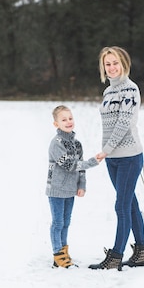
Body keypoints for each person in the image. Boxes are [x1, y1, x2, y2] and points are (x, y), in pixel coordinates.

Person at [89, 46, 144, 271]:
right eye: (108, 64)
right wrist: (107, 151)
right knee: (130, 203)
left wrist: (106, 149)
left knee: (121, 206)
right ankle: (142, 252)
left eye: (116, 63)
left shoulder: (130, 90)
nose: (112, 67)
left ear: (124, 64)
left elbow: (125, 123)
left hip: (129, 157)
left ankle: (116, 256)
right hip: (112, 157)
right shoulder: (108, 92)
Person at [46, 105, 101, 268]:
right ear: (56, 124)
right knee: (57, 222)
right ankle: (58, 255)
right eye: (64, 120)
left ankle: (64, 251)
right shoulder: (56, 144)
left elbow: (80, 168)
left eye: (70, 118)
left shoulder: (77, 144)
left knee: (66, 222)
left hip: (70, 190)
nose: (68, 122)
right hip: (56, 189)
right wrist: (93, 161)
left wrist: (82, 185)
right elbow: (69, 164)